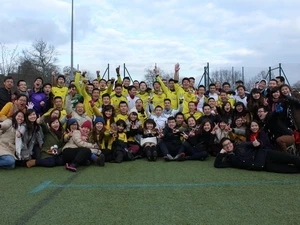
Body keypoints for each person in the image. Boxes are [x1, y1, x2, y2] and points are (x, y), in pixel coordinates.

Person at [214, 137, 300, 173]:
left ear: (232, 143)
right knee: (289, 169)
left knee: (291, 158)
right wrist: (221, 153)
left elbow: (256, 144)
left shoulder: (241, 145)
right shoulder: (229, 160)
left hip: (267, 154)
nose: (228, 146)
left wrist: (258, 143)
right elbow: (217, 164)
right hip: (265, 166)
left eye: (229, 143)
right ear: (223, 148)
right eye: (225, 145)